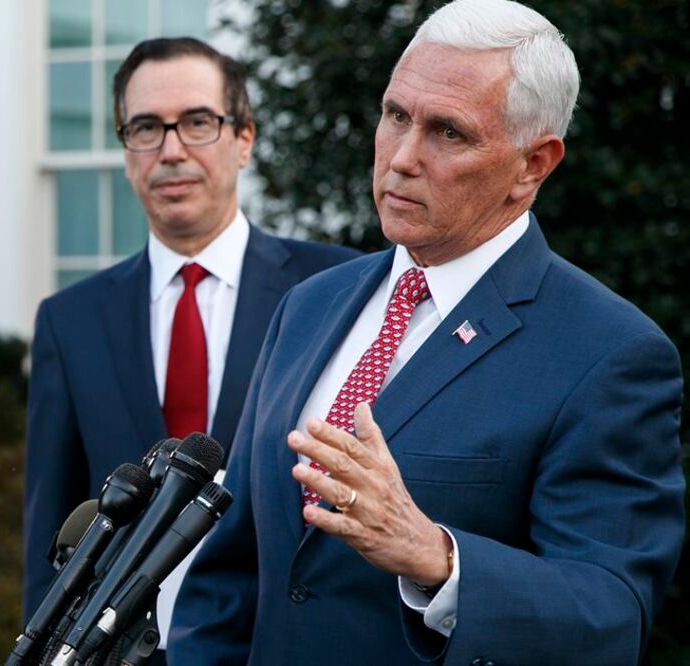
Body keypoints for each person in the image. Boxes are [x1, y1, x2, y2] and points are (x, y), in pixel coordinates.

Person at [168, 1, 685, 664]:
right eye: (395, 116)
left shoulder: (608, 353)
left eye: (447, 133)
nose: (402, 158)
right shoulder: (309, 305)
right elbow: (229, 571)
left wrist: (436, 559)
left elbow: (608, 616)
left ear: (533, 164)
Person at [21, 36, 359, 655]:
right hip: (117, 648)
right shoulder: (70, 320)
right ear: (126, 152)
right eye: (146, 128)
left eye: (197, 122)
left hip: (283, 640)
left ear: (245, 139)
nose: (171, 150)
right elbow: (52, 529)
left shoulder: (337, 290)